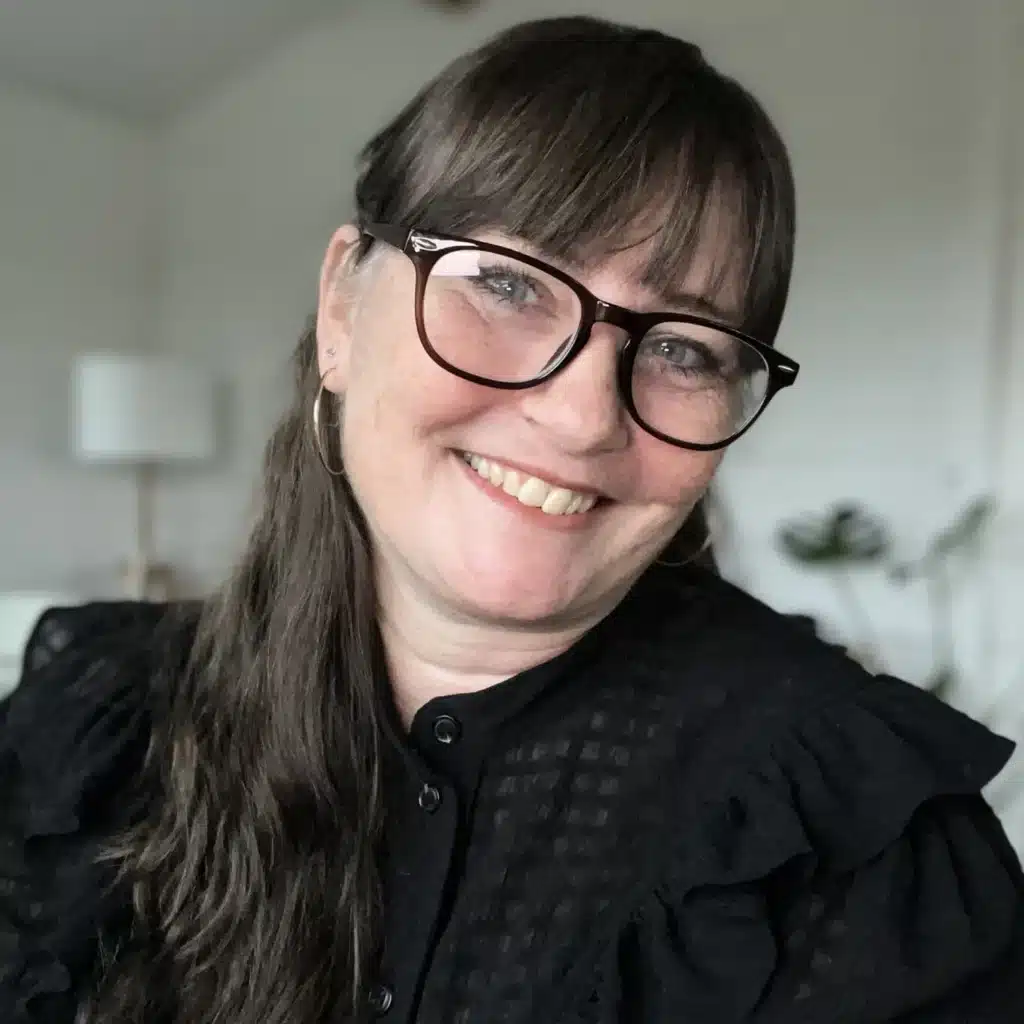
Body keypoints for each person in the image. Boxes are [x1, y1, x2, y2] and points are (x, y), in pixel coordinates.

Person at [2, 15, 1022, 1024]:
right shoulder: (91, 724)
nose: (581, 418)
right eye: (504, 282)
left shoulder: (858, 853)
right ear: (342, 312)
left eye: (683, 348)